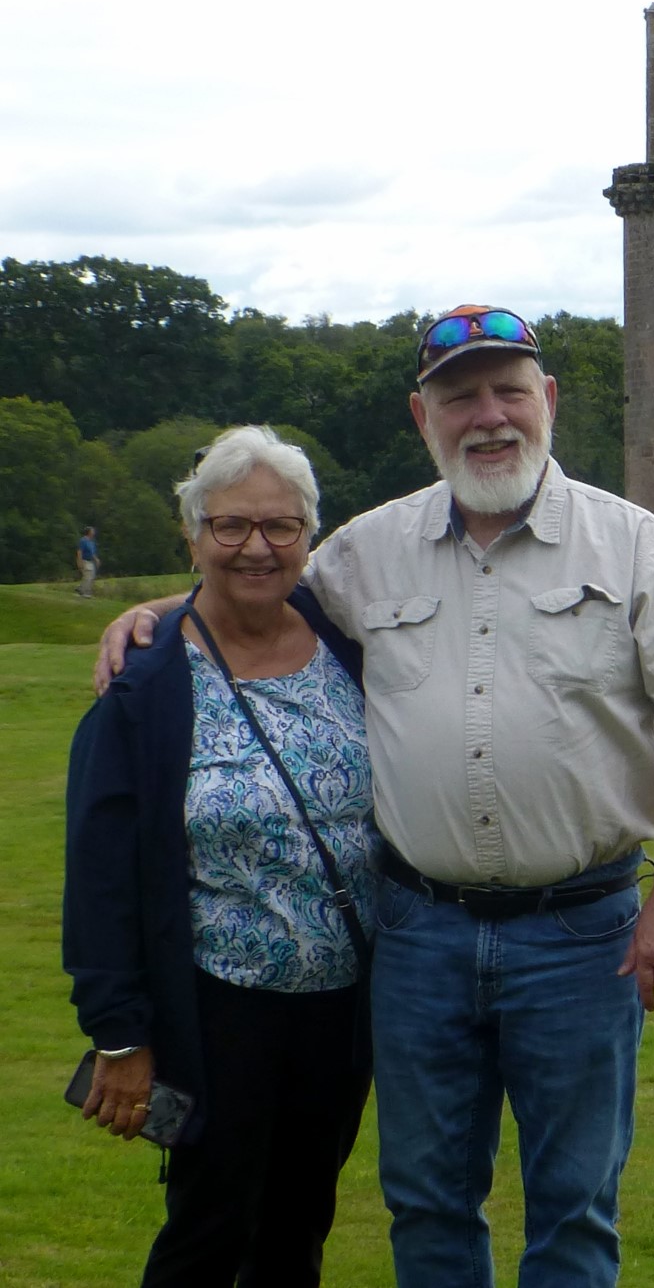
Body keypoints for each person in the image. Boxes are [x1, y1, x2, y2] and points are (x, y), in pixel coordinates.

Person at [101, 305, 654, 1287]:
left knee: (574, 1207)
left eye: (508, 391)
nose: (488, 416)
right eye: (459, 396)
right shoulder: (370, 549)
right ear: (422, 415)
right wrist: (149, 612)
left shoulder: (634, 546)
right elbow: (253, 574)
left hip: (583, 933)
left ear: (548, 400)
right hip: (418, 938)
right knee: (429, 1199)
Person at [66, 427, 374, 1285]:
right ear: (194, 534)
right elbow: (100, 879)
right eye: (230, 526)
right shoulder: (146, 689)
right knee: (210, 1224)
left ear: (310, 537)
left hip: (343, 1009)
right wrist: (120, 1037)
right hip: (216, 1010)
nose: (255, 547)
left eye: (281, 527)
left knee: (300, 1220)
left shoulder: (343, 641)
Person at [76, 525, 99, 597]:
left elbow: (92, 553)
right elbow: (80, 552)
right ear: (89, 532)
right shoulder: (83, 540)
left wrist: (96, 560)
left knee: (91, 576)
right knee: (87, 576)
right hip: (84, 560)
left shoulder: (91, 542)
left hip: (90, 561)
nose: (94, 532)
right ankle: (84, 592)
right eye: (92, 531)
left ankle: (81, 588)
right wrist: (79, 562)